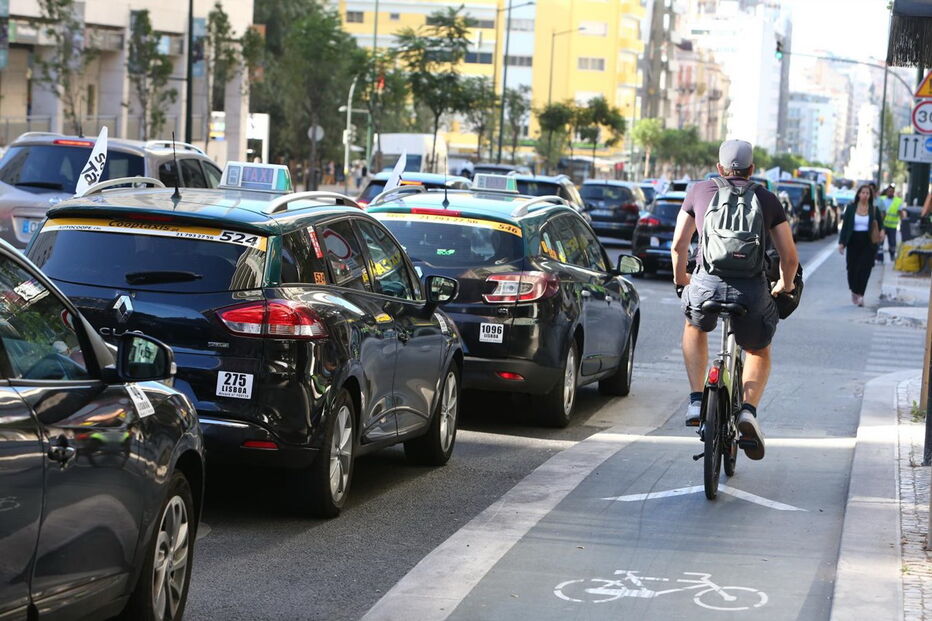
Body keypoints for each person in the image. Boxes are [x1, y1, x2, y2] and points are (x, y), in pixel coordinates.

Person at [672, 139, 799, 461]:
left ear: (719, 168)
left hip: (706, 283)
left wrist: (681, 281)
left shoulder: (698, 192)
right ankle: (747, 411)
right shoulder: (767, 199)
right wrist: (783, 287)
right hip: (752, 291)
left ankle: (698, 399)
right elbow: (790, 258)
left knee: (694, 326)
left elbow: (678, 247)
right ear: (752, 170)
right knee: (758, 348)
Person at [838, 184, 884, 306]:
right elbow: (845, 227)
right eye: (863, 193)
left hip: (868, 243)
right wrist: (842, 243)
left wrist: (882, 232)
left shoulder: (874, 209)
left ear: (870, 196)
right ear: (858, 194)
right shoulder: (851, 208)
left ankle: (861, 295)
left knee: (865, 269)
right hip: (853, 241)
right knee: (852, 269)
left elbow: (881, 224)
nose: (865, 195)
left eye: (867, 193)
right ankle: (854, 290)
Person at [879, 185, 904, 262]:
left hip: (892, 225)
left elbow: (900, 213)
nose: (890, 193)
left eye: (892, 191)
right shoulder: (881, 199)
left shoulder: (898, 201)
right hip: (882, 225)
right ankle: (879, 258)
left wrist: (902, 222)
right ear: (886, 192)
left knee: (892, 243)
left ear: (894, 192)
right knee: (880, 242)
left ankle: (892, 256)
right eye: (889, 191)